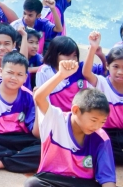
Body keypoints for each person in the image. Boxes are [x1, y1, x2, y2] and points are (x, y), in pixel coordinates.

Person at [27, 59, 116, 187]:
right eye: (93, 120)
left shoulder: (101, 137)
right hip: (52, 179)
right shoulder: (56, 119)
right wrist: (61, 75)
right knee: (33, 183)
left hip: (82, 183)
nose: (97, 126)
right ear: (75, 110)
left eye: (102, 122)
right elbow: (39, 97)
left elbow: (107, 178)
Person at [82, 33, 123, 164]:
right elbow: (86, 73)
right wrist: (93, 48)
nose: (120, 72)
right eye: (116, 66)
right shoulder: (102, 83)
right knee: (99, 148)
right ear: (107, 66)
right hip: (105, 131)